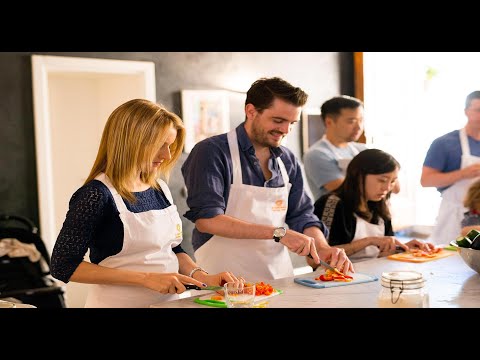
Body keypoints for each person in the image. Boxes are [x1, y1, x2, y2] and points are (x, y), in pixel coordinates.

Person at [50, 99, 240, 308]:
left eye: (170, 145)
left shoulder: (159, 188)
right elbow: (63, 265)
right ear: (132, 142)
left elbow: (172, 248)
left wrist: (204, 277)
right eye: (160, 145)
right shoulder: (95, 195)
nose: (167, 155)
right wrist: (145, 278)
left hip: (167, 304)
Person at [181, 77, 354, 281]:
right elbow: (208, 221)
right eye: (278, 121)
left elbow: (302, 215)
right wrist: (280, 233)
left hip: (278, 277)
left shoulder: (288, 160)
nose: (285, 130)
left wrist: (322, 248)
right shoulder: (211, 152)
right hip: (223, 280)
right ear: (251, 111)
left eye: (292, 123)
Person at [314, 149, 434, 263]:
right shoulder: (331, 203)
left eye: (392, 181)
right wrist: (369, 241)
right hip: (335, 279)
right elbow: (317, 259)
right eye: (382, 180)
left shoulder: (379, 205)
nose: (387, 188)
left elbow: (382, 250)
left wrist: (404, 248)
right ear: (359, 175)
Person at [303, 95, 399, 202]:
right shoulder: (317, 155)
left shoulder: (362, 149)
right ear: (329, 122)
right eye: (351, 121)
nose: (359, 127)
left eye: (361, 120)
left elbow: (396, 187)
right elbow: (346, 192)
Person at [421, 91, 480, 245]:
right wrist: (463, 174)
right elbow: (426, 180)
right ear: (466, 111)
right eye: (478, 110)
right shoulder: (444, 143)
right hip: (453, 217)